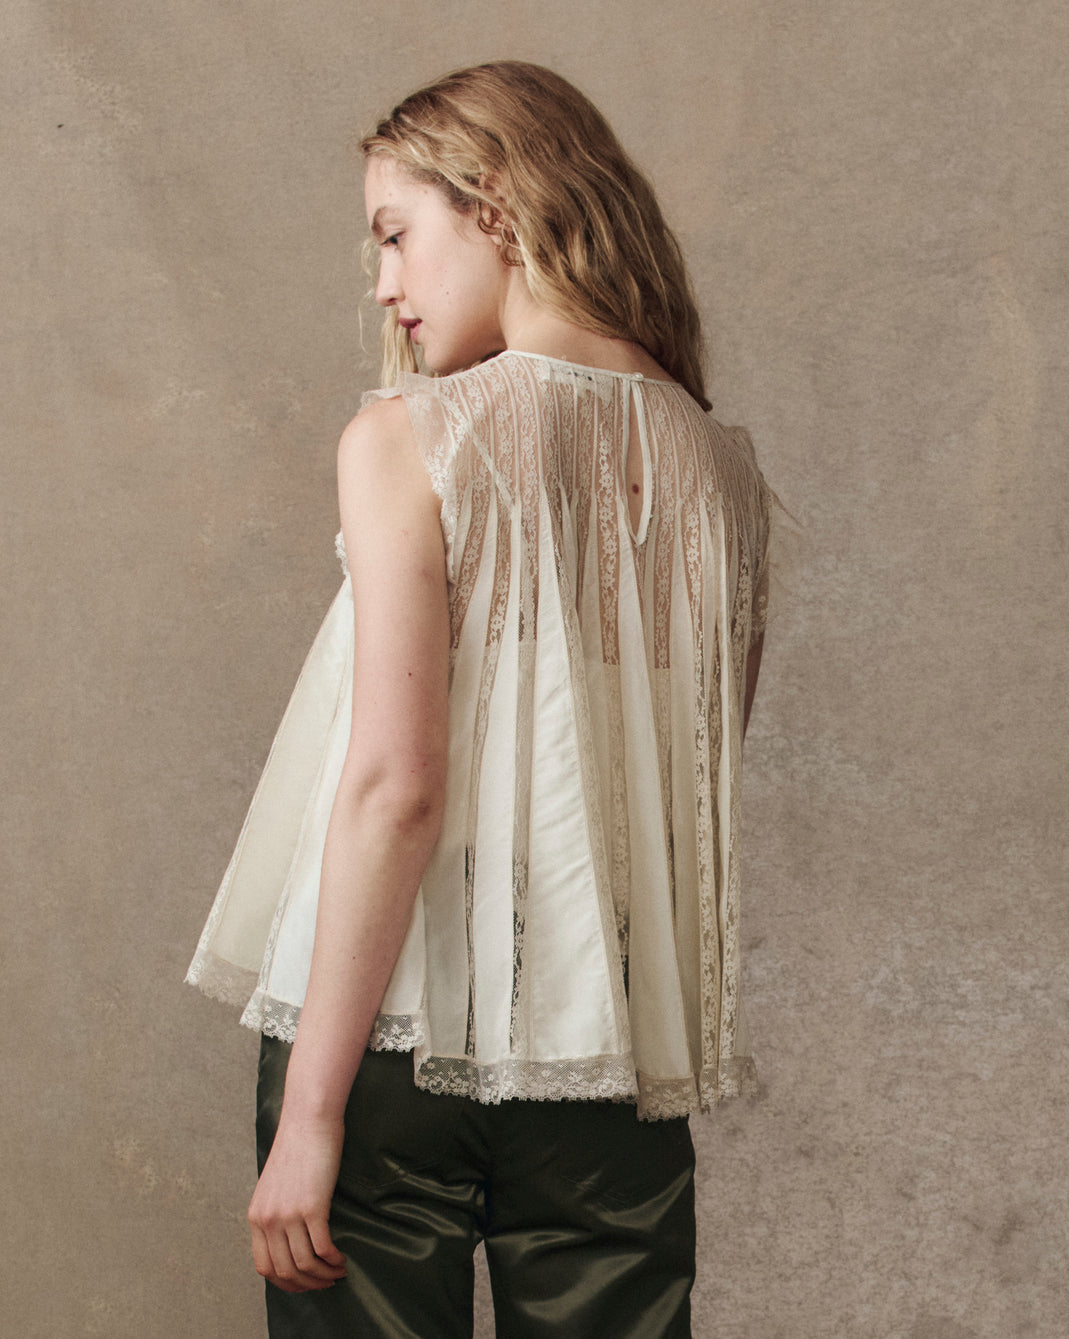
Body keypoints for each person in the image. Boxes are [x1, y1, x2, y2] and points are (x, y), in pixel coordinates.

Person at [186, 60, 773, 1338]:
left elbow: (397, 788)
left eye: (396, 234)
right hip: (607, 1061)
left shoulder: (412, 437)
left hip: (390, 1040)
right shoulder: (721, 475)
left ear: (497, 205)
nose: (383, 285)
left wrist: (313, 1115)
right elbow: (677, 807)